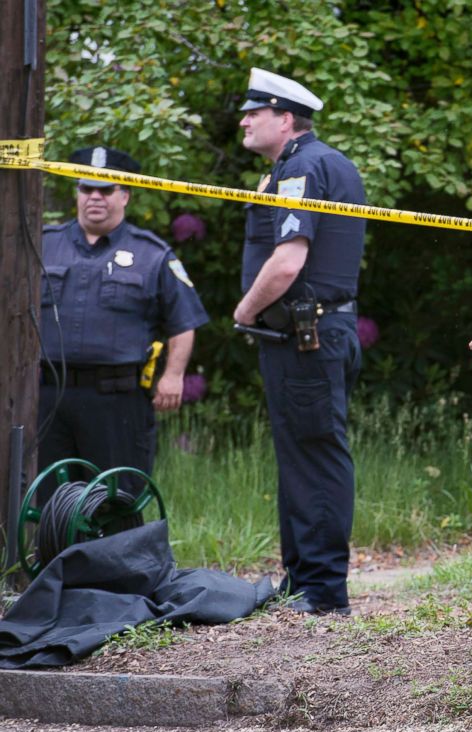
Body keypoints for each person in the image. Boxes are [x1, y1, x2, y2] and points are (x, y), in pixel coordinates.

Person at [234, 68, 366, 616]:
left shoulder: (305, 166)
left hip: (308, 337)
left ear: (284, 118)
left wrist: (244, 310)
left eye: (254, 112)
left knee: (314, 456)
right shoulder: (297, 166)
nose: (243, 121)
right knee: (299, 457)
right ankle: (301, 580)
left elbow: (288, 262)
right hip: (301, 335)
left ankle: (322, 590)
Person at [38, 146, 209, 496]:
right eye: (87, 188)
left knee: (117, 498)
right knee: (49, 501)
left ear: (125, 195)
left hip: (116, 400)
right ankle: (54, 554)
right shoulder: (43, 244)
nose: (95, 197)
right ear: (77, 193)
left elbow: (183, 321)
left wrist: (173, 376)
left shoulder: (152, 253)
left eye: (106, 189)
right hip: (48, 395)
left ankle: (113, 554)